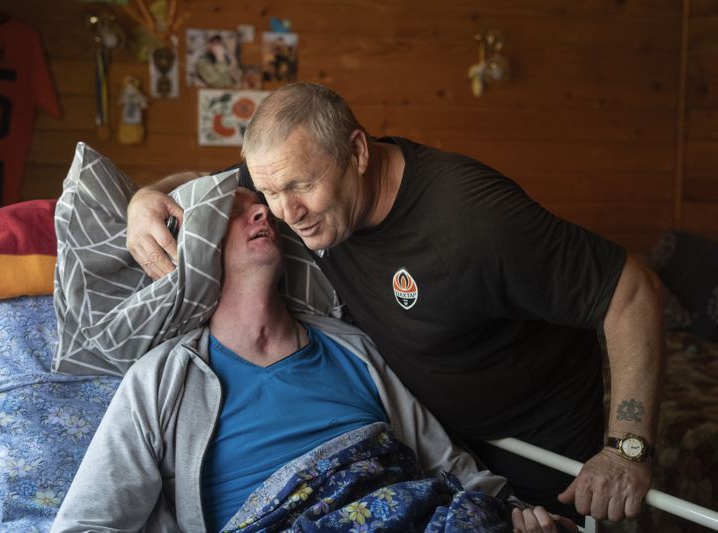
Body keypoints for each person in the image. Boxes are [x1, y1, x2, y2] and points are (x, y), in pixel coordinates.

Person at [126, 83, 664, 523]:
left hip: (536, 439)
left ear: (358, 153)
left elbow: (630, 289)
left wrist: (627, 449)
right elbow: (212, 190)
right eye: (271, 193)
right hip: (439, 442)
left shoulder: (475, 222)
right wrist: (145, 199)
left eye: (301, 186)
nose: (286, 212)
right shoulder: (288, 185)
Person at [51, 187, 575, 533]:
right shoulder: (162, 380)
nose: (262, 211)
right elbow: (87, 522)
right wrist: (144, 197)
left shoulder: (355, 347)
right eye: (233, 211)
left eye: (260, 202)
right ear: (191, 247)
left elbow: (447, 465)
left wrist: (512, 514)